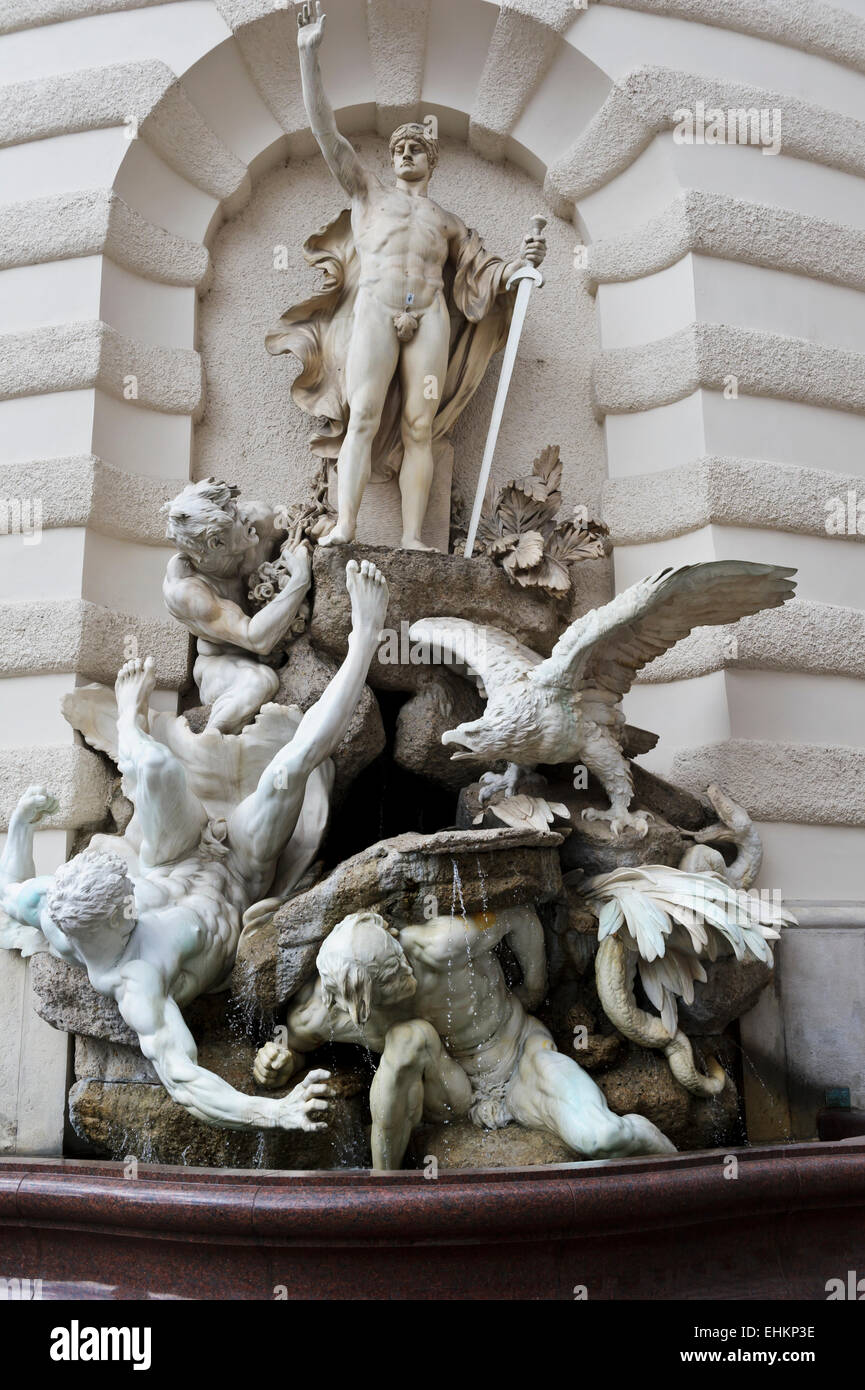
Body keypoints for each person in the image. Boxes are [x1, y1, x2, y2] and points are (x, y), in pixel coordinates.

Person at [0, 560, 390, 1134]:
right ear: (114, 920)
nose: (126, 889)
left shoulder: (56, 906)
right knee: (288, 774)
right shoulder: (140, 983)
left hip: (174, 856)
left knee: (156, 764)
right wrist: (273, 1112)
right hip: (243, 876)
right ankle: (364, 642)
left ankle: (133, 730)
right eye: (122, 896)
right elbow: (185, 1082)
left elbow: (9, 893)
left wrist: (20, 827)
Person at [268, 1, 546, 551]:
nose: (405, 152)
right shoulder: (367, 193)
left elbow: (484, 272)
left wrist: (524, 263)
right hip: (375, 307)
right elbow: (326, 134)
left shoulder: (446, 221)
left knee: (423, 426)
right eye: (398, 147)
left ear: (431, 159)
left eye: (416, 147)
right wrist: (308, 57)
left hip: (430, 315)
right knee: (363, 416)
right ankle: (346, 526)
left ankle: (414, 538)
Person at [254, 905, 676, 1167]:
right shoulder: (334, 1009)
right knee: (408, 1038)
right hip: (451, 1093)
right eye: (381, 992)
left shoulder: (443, 944)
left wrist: (534, 987)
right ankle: (384, 1190)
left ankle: (686, 1179)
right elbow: (289, 1041)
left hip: (517, 1056)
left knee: (606, 1137)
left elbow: (520, 917)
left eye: (394, 974)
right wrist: (276, 1059)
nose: (401, 984)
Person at [163, 478, 311, 733]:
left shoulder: (258, 520)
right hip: (225, 664)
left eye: (235, 505)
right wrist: (300, 581)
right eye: (234, 514)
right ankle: (208, 750)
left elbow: (301, 524)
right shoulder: (188, 590)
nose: (244, 514)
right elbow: (257, 639)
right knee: (259, 682)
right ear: (216, 543)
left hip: (282, 647)